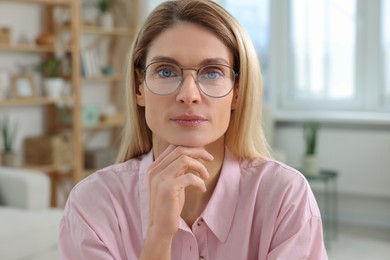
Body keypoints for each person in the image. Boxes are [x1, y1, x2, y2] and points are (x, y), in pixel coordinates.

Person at [59, 0, 328, 259]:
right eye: (166, 72)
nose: (189, 95)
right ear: (139, 87)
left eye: (212, 72)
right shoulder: (91, 205)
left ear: (237, 92)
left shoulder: (285, 197)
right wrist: (158, 237)